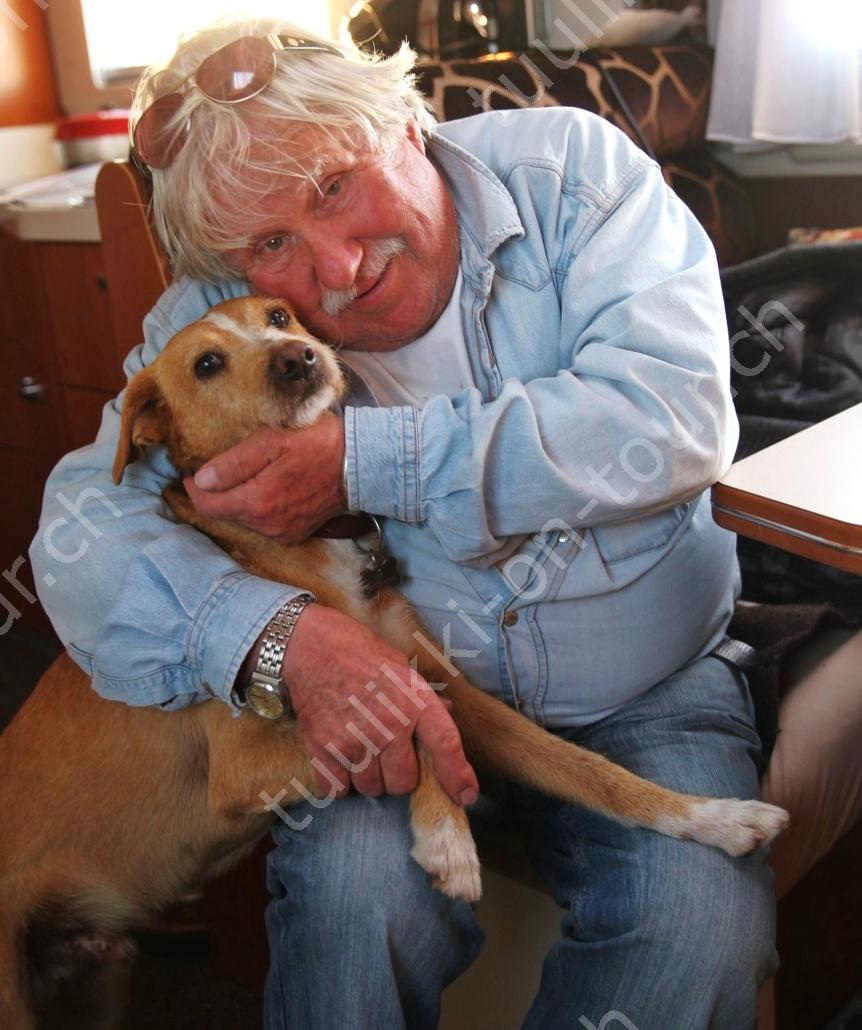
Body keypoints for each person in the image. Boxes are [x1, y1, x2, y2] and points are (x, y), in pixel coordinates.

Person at [30, 18, 778, 1029]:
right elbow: (80, 526)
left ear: (404, 121)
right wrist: (281, 640)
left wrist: (363, 460)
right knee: (350, 909)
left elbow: (671, 416)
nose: (335, 267)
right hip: (384, 695)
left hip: (647, 686)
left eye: (333, 187)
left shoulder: (575, 175)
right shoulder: (226, 301)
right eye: (273, 246)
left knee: (694, 927)